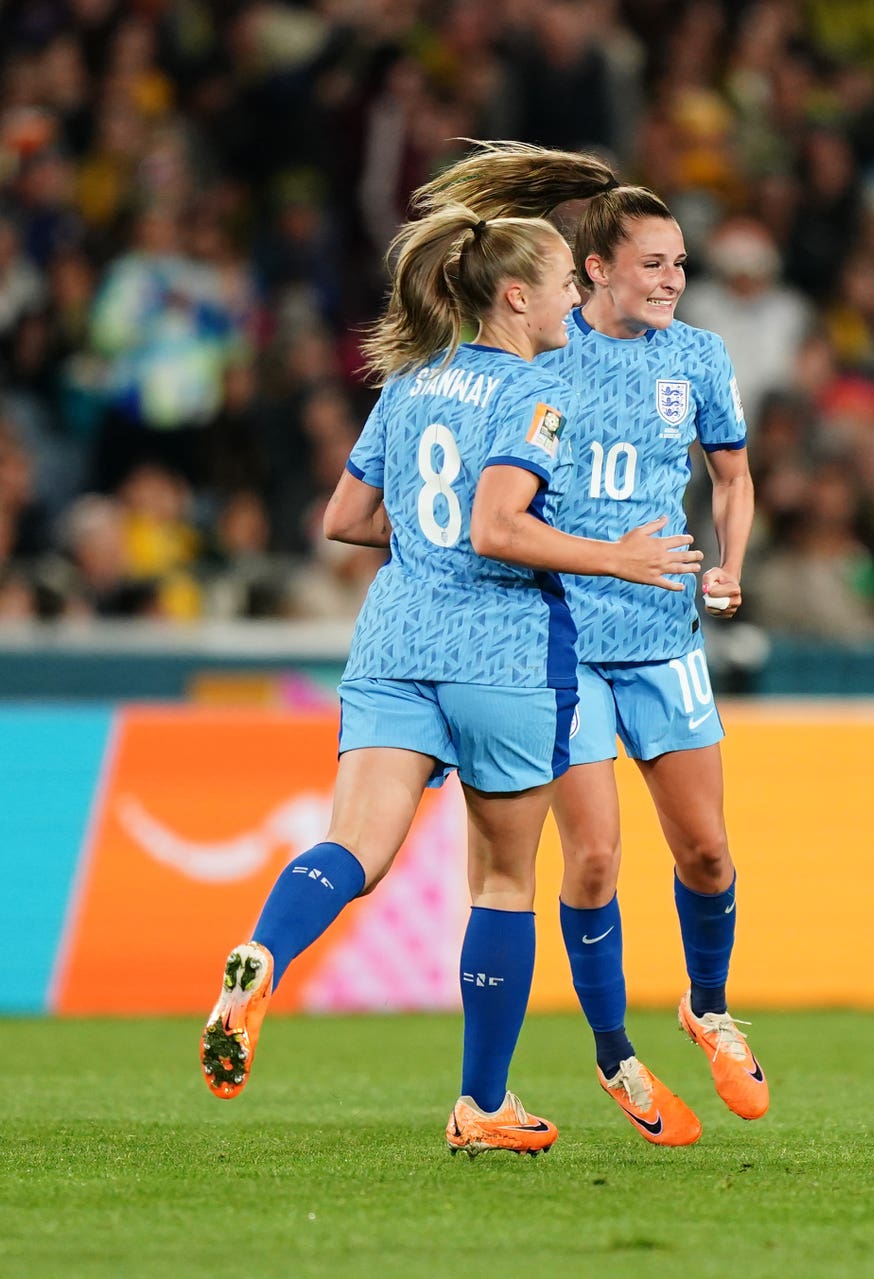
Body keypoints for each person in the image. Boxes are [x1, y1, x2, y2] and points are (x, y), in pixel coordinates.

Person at [199, 201, 703, 1157]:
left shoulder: (410, 380)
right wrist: (617, 557)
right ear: (517, 296)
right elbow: (497, 528)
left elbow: (345, 518)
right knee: (506, 881)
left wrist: (426, 538)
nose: (576, 297)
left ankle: (263, 952)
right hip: (502, 656)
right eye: (564, 283)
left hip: (393, 643)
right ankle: (481, 1104)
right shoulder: (538, 394)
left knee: (353, 847)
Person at [416, 143, 767, 1142]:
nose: (671, 281)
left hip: (664, 632)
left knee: (704, 849)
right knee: (598, 860)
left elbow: (733, 478)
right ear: (596, 267)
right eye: (652, 263)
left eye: (681, 264)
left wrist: (728, 562)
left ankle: (707, 1005)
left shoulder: (698, 358)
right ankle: (616, 1053)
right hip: (561, 636)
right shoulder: (545, 356)